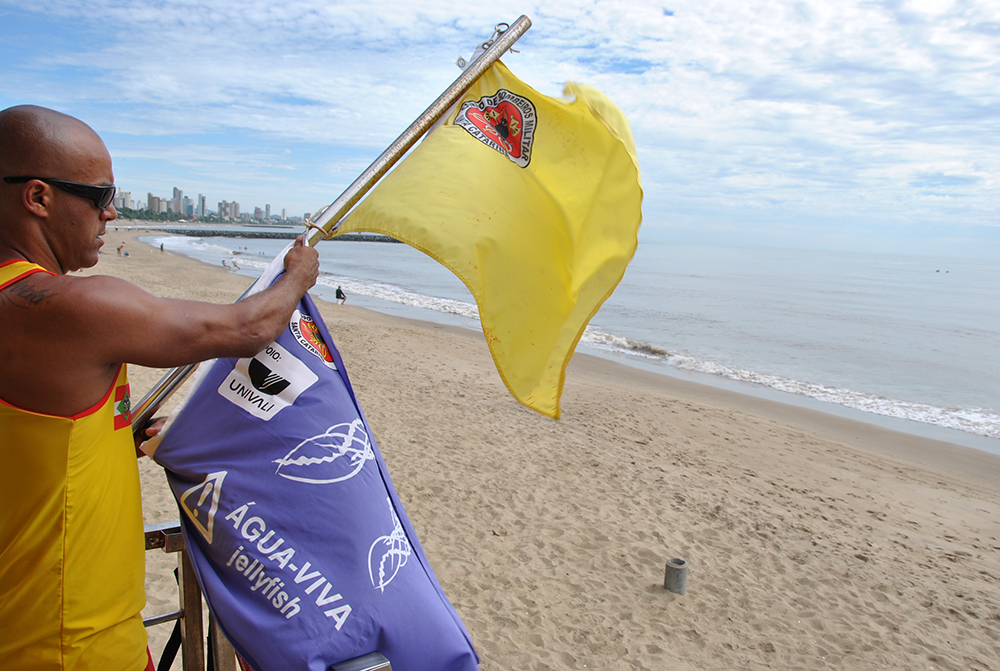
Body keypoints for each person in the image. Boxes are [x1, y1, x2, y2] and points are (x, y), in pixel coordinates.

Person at [0, 105, 319, 671]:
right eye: (99, 196)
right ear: (39, 197)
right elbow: (246, 328)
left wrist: (112, 434)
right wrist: (297, 272)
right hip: (70, 644)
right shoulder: (72, 307)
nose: (112, 211)